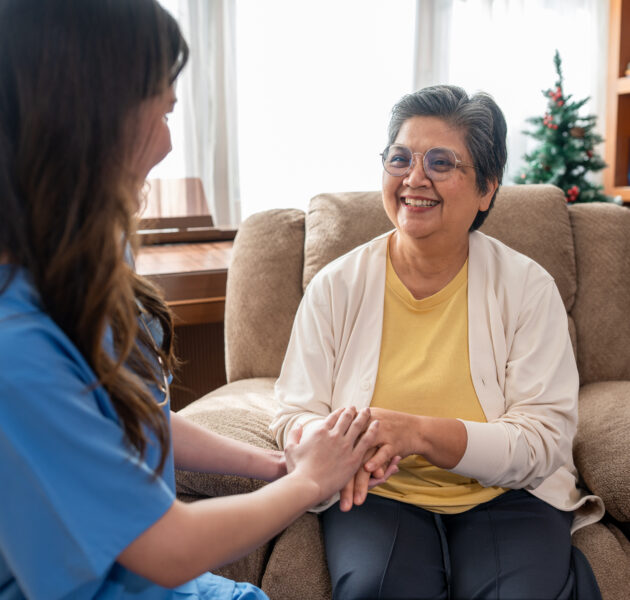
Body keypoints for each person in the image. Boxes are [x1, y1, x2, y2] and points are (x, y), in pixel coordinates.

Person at [0, 1, 390, 598]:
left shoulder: (86, 262)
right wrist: (309, 481)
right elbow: (167, 548)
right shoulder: (17, 352)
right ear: (87, 119)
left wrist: (279, 465)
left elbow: (138, 419)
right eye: (160, 110)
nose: (166, 141)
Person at [270, 85, 605, 599]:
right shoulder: (335, 286)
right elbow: (293, 415)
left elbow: (543, 440)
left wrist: (419, 434)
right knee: (374, 592)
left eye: (441, 162)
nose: (414, 178)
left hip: (508, 493)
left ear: (487, 189)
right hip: (378, 493)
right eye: (399, 158)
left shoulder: (528, 287)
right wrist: (341, 442)